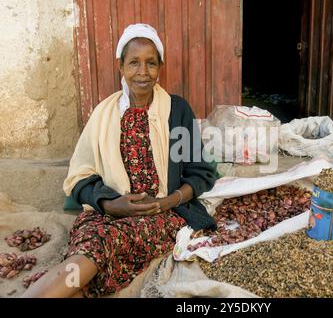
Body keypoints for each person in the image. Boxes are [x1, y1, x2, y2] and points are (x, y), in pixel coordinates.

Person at [21, 24, 217, 298]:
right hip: (106, 211)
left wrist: (166, 201)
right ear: (120, 66)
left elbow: (199, 173)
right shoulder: (104, 114)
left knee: (100, 244)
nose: (142, 72)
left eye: (151, 63)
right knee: (90, 239)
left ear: (160, 66)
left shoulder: (176, 110)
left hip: (160, 215)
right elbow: (80, 178)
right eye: (134, 62)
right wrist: (110, 204)